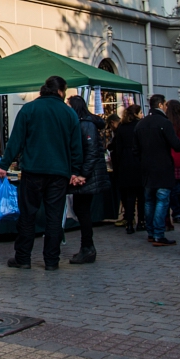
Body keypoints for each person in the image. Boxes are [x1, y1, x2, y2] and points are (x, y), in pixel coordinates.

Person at [0, 76, 84, 271]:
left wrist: (4, 164)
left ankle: (23, 258)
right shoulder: (69, 113)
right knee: (54, 217)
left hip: (33, 171)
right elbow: (76, 146)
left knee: (28, 215)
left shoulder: (29, 109)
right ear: (60, 91)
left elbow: (16, 140)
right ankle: (51, 261)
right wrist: (76, 171)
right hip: (59, 172)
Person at [135, 94, 180, 247]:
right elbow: (176, 144)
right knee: (162, 200)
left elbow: (135, 149)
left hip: (146, 168)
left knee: (149, 200)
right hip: (163, 167)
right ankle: (158, 234)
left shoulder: (141, 124)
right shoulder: (164, 123)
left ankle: (151, 233)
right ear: (161, 104)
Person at [66, 96, 110, 264]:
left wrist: (83, 174)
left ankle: (88, 247)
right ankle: (87, 247)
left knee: (82, 210)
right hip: (86, 174)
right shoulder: (83, 123)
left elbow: (91, 152)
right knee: (81, 209)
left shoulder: (86, 124)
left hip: (88, 177)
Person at [109, 104, 144, 234]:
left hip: (125, 162)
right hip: (138, 162)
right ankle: (141, 221)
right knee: (140, 195)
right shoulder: (140, 125)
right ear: (136, 114)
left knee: (129, 196)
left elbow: (117, 148)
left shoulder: (122, 128)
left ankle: (129, 222)